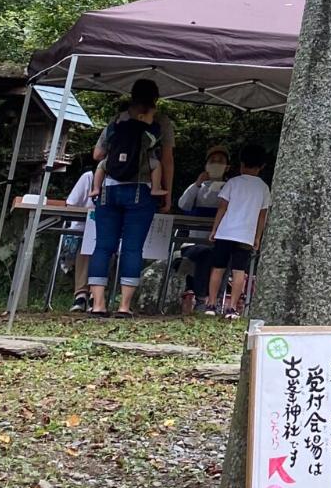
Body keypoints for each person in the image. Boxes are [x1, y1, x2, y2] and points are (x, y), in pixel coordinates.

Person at [88, 83, 168, 317]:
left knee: (103, 246)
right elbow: (164, 156)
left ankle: (98, 304)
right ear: (155, 99)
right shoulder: (155, 125)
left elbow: (97, 154)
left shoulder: (115, 122)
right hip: (139, 191)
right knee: (132, 248)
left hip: (108, 190)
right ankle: (124, 306)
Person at [204, 142, 271, 319]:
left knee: (218, 268)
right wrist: (257, 237)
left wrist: (214, 229)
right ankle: (232, 308)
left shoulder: (233, 182)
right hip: (246, 235)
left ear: (241, 163)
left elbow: (222, 208)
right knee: (239, 270)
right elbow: (262, 215)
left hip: (226, 231)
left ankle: (211, 304)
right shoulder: (263, 188)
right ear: (262, 166)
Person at [177, 146, 230, 314]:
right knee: (204, 254)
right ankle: (201, 298)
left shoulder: (230, 187)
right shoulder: (197, 187)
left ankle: (217, 299)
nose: (216, 164)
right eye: (212, 161)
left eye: (220, 161)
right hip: (194, 243)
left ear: (227, 167)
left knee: (223, 257)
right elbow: (183, 204)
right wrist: (197, 184)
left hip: (221, 242)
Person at [62, 164, 100, 311]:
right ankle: (82, 294)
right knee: (86, 244)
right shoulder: (88, 177)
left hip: (105, 230)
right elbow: (70, 205)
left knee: (105, 246)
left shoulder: (119, 180)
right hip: (82, 229)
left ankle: (95, 294)